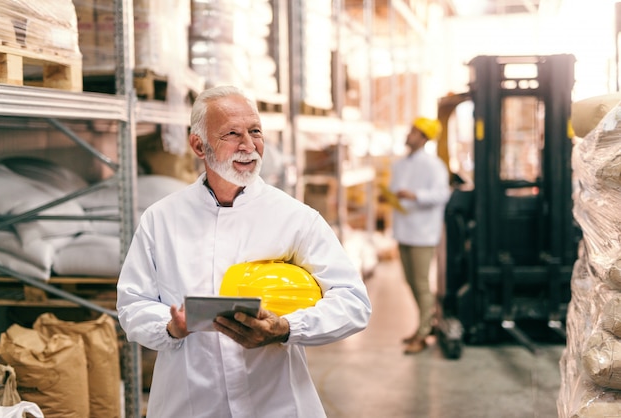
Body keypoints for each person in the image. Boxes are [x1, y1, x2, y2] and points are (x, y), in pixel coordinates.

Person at [116, 85, 372, 418]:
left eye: (255, 132)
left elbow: (354, 302)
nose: (249, 146)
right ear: (198, 145)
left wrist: (287, 327)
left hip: (275, 404)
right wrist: (170, 327)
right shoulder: (161, 220)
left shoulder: (294, 218)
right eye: (232, 134)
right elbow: (132, 304)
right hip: (190, 404)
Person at [389, 117, 451, 355]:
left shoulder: (433, 165)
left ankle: (424, 333)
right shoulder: (402, 164)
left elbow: (441, 195)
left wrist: (415, 195)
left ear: (424, 138)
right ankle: (425, 325)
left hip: (423, 233)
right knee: (411, 281)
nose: (409, 135)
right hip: (404, 230)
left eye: (414, 132)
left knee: (422, 284)